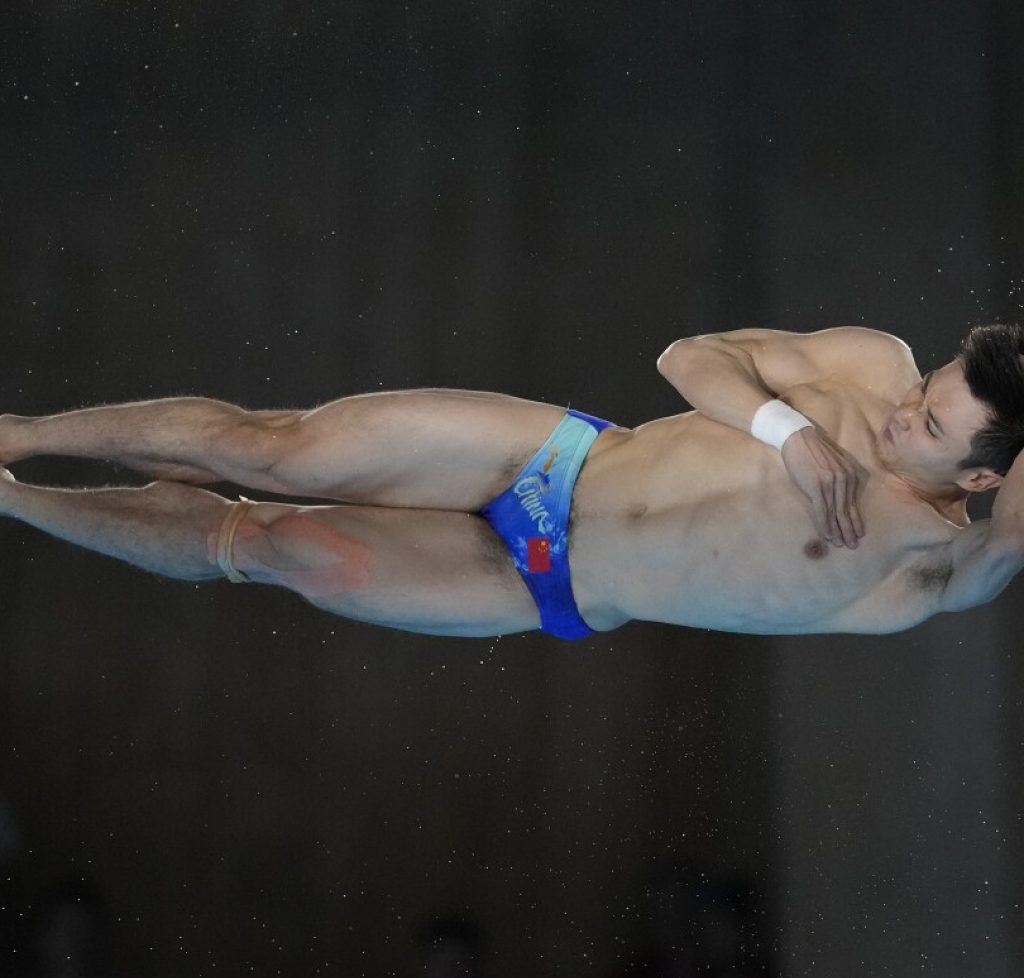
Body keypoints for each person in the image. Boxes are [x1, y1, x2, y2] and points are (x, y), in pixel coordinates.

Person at [2, 323, 1023, 639]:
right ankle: (22, 432)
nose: (901, 413)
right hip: (552, 457)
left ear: (980, 475)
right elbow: (687, 357)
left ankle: (13, 497)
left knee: (273, 545)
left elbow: (1007, 546)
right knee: (276, 448)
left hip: (542, 582)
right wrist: (786, 430)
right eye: (923, 389)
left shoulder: (931, 559)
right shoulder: (865, 367)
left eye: (928, 425)